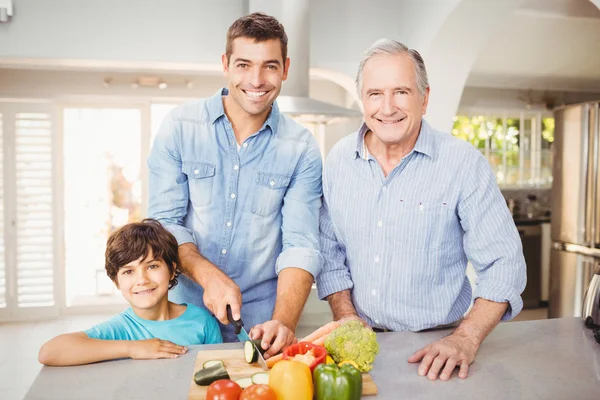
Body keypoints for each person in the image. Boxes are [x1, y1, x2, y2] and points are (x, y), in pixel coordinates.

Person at [316, 39, 526, 381]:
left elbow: (505, 263)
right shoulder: (339, 160)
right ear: (362, 100)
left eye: (401, 91)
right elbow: (328, 248)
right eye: (374, 94)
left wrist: (465, 338)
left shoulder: (463, 164)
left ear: (424, 98)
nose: (387, 107)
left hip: (440, 349)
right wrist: (344, 313)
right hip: (358, 346)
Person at [147, 12, 322, 356]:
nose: (256, 79)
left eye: (270, 66)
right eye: (244, 64)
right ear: (226, 64)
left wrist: (283, 322)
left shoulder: (301, 147)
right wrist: (207, 274)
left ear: (285, 69)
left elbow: (301, 243)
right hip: (185, 318)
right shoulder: (180, 126)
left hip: (261, 323)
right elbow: (163, 223)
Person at [38, 219, 222, 366]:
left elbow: (220, 373)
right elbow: (49, 352)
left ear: (172, 270)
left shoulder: (202, 321)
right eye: (128, 271)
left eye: (152, 266)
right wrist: (133, 348)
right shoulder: (119, 329)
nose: (142, 280)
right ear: (116, 281)